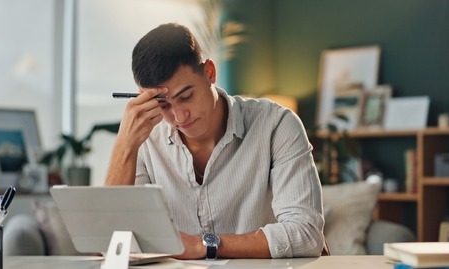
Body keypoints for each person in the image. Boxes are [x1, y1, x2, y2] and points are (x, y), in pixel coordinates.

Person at [106, 23, 326, 259]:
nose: (179, 117)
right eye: (163, 105)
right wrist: (125, 145)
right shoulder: (144, 138)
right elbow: (110, 240)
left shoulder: (276, 125)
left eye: (186, 96)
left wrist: (203, 245)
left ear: (209, 72)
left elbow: (306, 233)